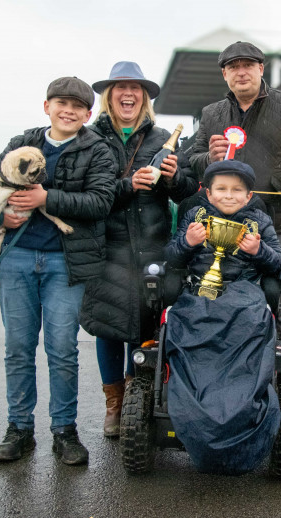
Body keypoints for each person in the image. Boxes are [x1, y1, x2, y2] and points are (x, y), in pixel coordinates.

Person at [0, 77, 116, 465]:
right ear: (46, 106)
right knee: (18, 349)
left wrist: (48, 197)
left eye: (77, 106)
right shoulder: (21, 144)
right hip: (16, 259)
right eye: (60, 103)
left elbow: (101, 201)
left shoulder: (97, 149)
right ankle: (19, 430)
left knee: (62, 350)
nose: (68, 111)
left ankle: (65, 431)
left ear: (88, 113)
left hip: (65, 262)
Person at [189, 41, 281, 385]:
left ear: (261, 69)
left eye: (248, 65)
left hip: (279, 225)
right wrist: (208, 157)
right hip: (222, 227)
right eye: (233, 66)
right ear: (224, 74)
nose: (241, 71)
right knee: (219, 302)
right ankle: (230, 382)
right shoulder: (211, 115)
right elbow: (190, 163)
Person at [78, 61, 198, 438]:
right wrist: (129, 184)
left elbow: (186, 193)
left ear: (143, 97)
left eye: (135, 88)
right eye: (119, 88)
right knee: (109, 328)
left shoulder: (162, 136)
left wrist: (175, 176)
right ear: (108, 96)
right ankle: (114, 405)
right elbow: (89, 195)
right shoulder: (90, 139)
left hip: (152, 249)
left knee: (145, 329)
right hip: (106, 248)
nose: (127, 94)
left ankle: (137, 398)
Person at [164, 160, 281, 474]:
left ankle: (242, 401)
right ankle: (198, 401)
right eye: (222, 189)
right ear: (208, 192)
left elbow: (278, 263)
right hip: (199, 292)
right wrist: (188, 243)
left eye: (236, 190)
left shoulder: (259, 221)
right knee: (181, 319)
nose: (229, 196)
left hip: (243, 291)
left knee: (253, 317)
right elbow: (172, 256)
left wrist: (260, 251)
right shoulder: (195, 216)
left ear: (247, 196)